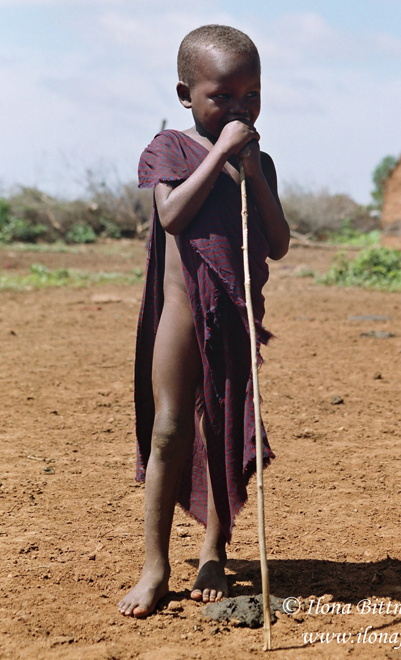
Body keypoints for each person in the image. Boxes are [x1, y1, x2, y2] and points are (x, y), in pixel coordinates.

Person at [118, 24, 290, 619]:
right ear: (185, 93)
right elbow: (171, 216)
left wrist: (252, 169)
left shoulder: (260, 160)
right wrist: (220, 154)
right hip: (181, 317)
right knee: (170, 430)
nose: (240, 107)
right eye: (224, 95)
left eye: (252, 95)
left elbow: (278, 242)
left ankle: (215, 549)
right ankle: (155, 566)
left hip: (235, 318)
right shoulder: (171, 148)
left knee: (223, 429)